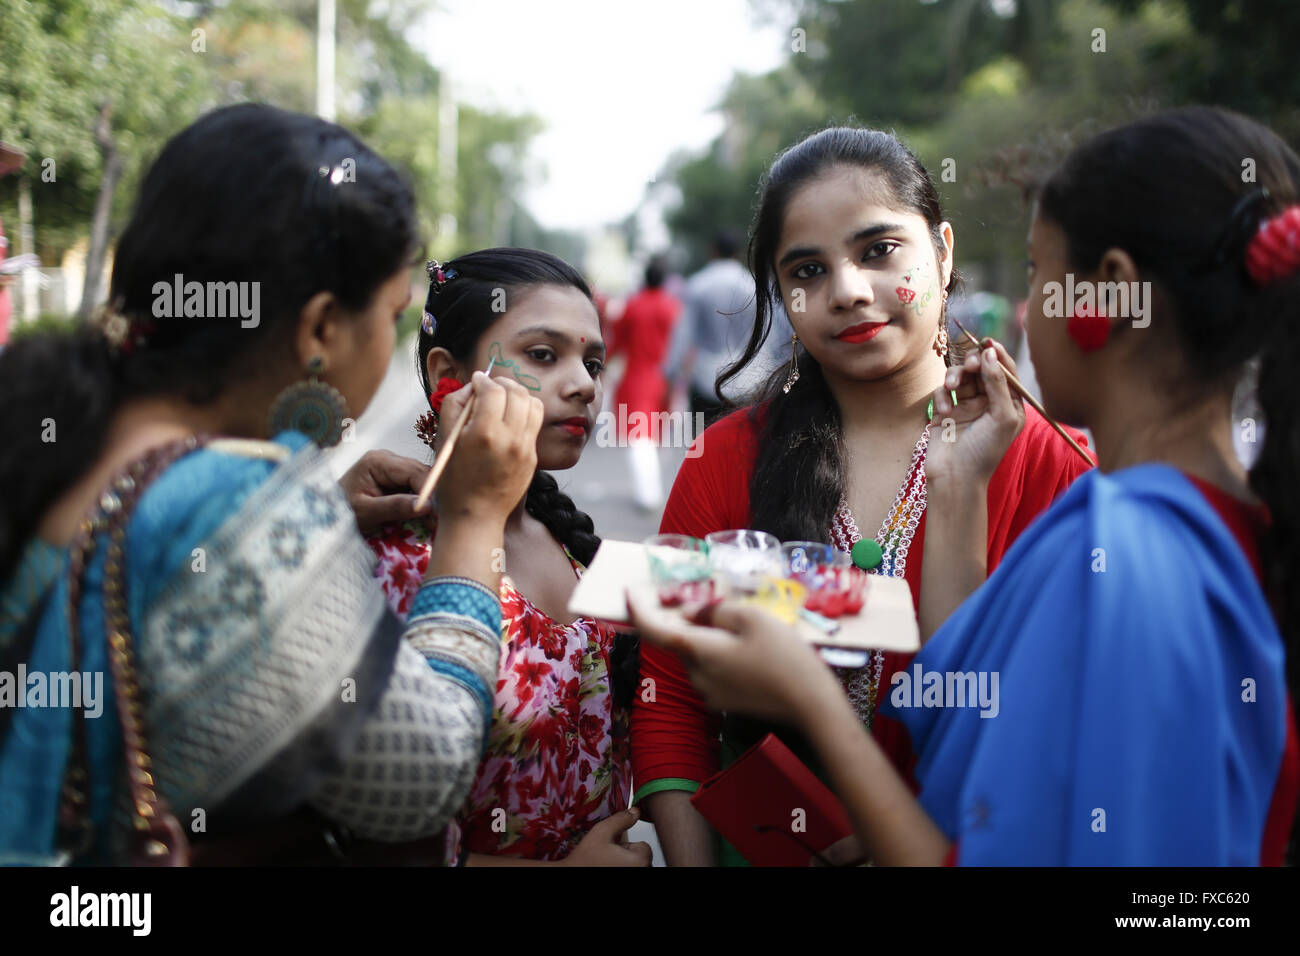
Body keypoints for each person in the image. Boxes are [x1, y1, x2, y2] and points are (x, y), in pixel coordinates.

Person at [630, 105, 1300, 866]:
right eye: (807, 270)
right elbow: (971, 741)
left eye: (1038, 273)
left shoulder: (1096, 521)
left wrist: (815, 709)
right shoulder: (1135, 512)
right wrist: (955, 493)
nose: (848, 291)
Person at [0, 104, 543, 865]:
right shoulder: (236, 511)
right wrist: (475, 520)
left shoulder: (50, 424)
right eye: (392, 313)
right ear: (321, 330)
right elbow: (424, 777)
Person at [632, 126, 1094, 866]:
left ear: (941, 252)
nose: (846, 290)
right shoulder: (722, 459)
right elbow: (671, 698)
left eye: (878, 251)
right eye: (808, 270)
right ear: (783, 294)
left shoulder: (1052, 466)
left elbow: (1069, 730)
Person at [366, 248, 650, 866]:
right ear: (449, 374)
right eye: (543, 355)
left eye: (593, 362)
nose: (584, 385)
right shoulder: (391, 558)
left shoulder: (578, 548)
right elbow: (369, 839)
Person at [665, 230, 792, 422]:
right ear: (738, 252)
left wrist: (671, 371)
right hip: (748, 378)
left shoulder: (697, 285)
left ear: (713, 251)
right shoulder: (753, 286)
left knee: (704, 444)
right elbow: (771, 332)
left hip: (706, 378)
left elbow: (683, 334)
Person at [608, 254, 681, 510]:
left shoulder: (633, 305)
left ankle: (648, 493)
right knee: (658, 435)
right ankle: (652, 489)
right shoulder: (673, 307)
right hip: (667, 380)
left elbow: (614, 343)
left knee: (640, 436)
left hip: (638, 377)